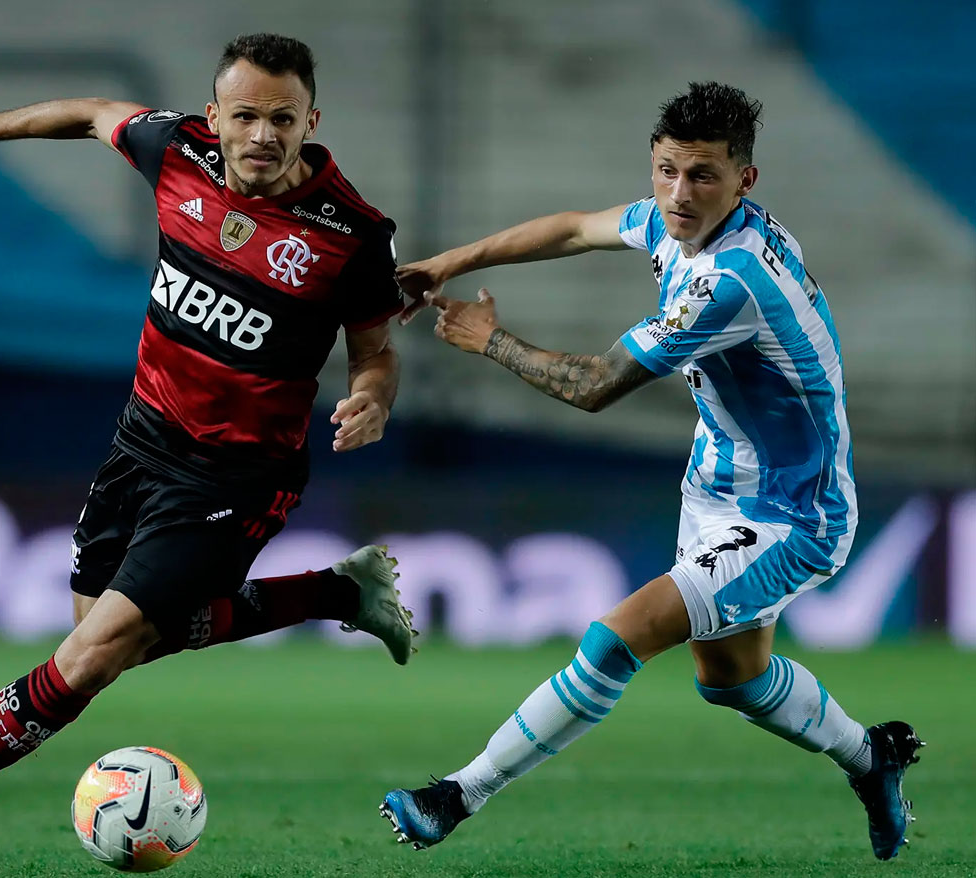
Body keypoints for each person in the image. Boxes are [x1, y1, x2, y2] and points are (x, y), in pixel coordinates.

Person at [0, 33, 416, 875]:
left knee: (88, 659)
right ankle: (336, 591)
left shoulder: (350, 234)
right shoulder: (176, 150)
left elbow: (376, 352)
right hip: (140, 441)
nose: (262, 135)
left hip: (235, 476)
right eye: (245, 116)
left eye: (282, 119)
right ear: (213, 116)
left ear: (310, 122)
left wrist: (373, 397)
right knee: (107, 637)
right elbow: (91, 112)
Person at [379, 81, 922, 861]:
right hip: (715, 489)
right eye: (666, 171)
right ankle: (871, 757)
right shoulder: (682, 224)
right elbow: (575, 228)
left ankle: (456, 794)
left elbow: (596, 385)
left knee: (614, 640)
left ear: (743, 180)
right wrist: (447, 262)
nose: (676, 193)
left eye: (701, 175)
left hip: (788, 515)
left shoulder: (728, 280)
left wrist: (487, 340)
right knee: (731, 679)